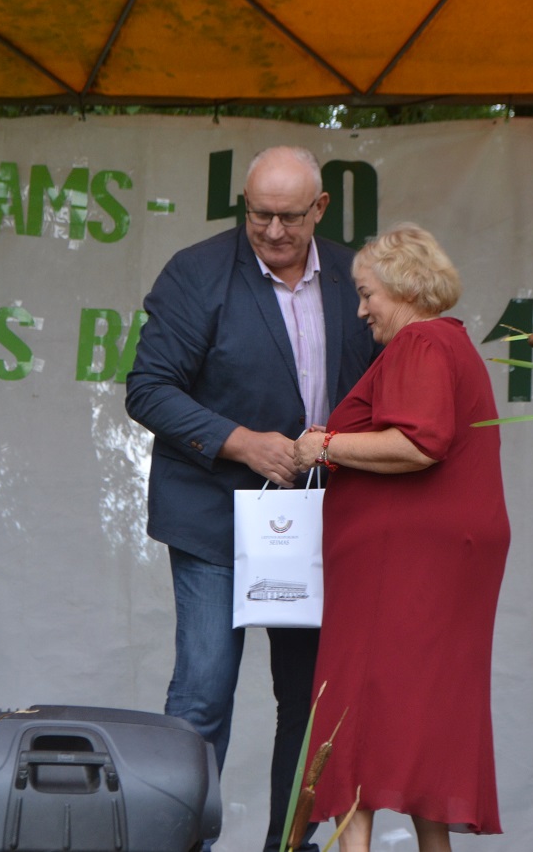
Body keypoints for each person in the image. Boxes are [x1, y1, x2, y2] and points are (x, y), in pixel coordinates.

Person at [125, 145, 379, 852]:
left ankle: (290, 845)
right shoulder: (196, 272)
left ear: (320, 208)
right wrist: (241, 442)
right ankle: (182, 845)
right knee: (203, 693)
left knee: (311, 700)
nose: (271, 231)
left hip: (318, 523)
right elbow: (148, 389)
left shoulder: (356, 279)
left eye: (289, 217)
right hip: (214, 519)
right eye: (259, 214)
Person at [291, 224, 510, 852]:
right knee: (421, 720)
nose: (361, 310)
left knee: (352, 715)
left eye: (367, 294)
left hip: (401, 568)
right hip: (429, 562)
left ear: (405, 286)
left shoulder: (421, 341)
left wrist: (323, 445)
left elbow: (419, 443)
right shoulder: (450, 343)